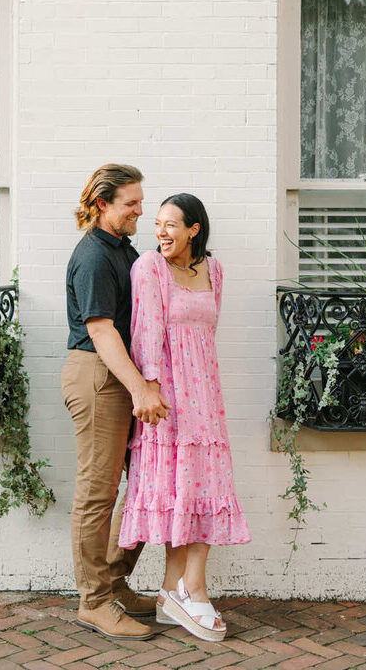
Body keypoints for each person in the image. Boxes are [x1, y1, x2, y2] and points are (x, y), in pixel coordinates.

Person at [118, 193, 250, 642]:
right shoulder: (149, 268)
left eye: (171, 224)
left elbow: (206, 331)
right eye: (157, 224)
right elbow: (146, 332)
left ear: (194, 229)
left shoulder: (213, 271)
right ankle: (191, 587)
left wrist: (204, 389)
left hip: (205, 395)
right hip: (169, 397)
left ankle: (175, 588)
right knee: (181, 489)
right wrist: (150, 386)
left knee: (201, 486)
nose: (161, 232)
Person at [61, 164, 170, 641]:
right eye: (132, 203)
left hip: (121, 376)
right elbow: (101, 330)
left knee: (147, 483)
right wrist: (140, 388)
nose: (141, 211)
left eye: (141, 201)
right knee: (97, 493)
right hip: (100, 377)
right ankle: (94, 602)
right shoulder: (92, 257)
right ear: (103, 204)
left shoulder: (124, 251)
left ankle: (114, 581)